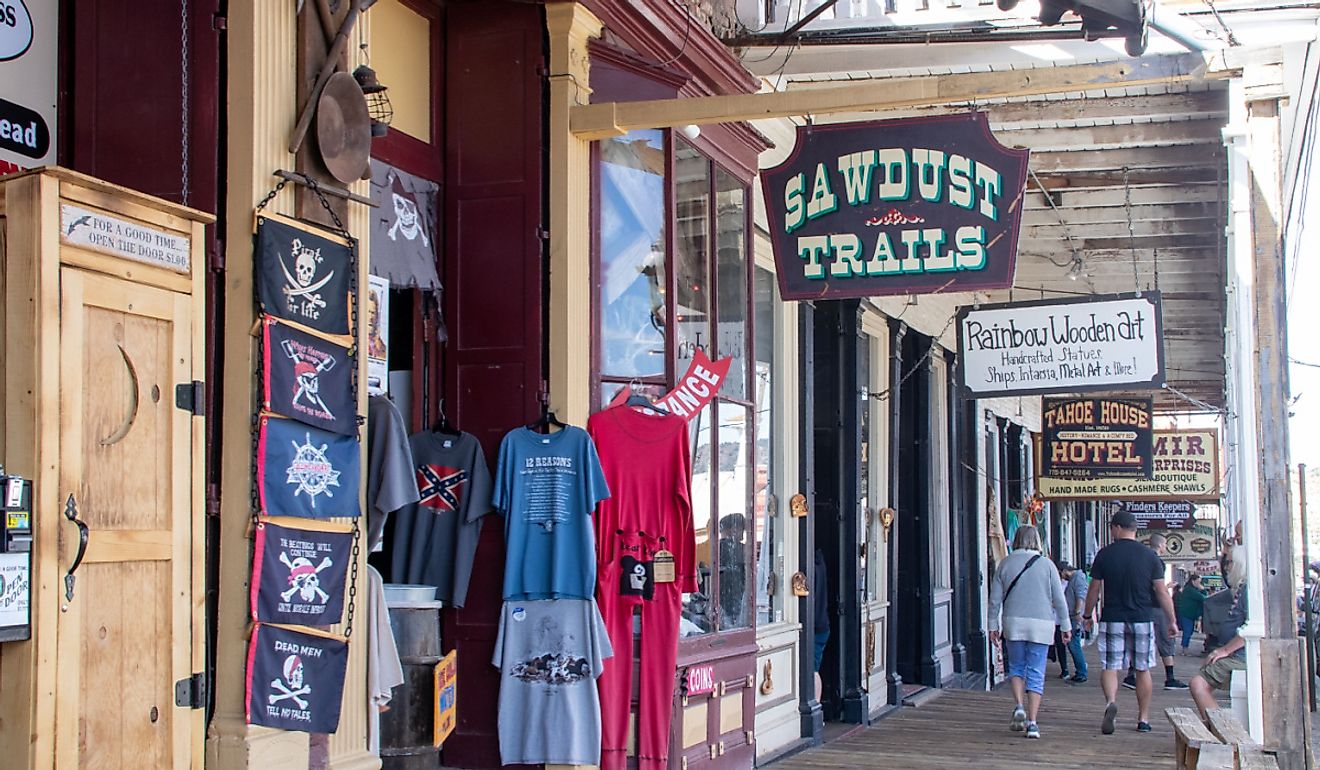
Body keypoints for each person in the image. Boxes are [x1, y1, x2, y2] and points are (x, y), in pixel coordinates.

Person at [1082, 511, 1179, 734]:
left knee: (1110, 665)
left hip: (1113, 616)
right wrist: (1172, 621)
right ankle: (1143, 719)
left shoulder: (1105, 555)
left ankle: (1111, 703)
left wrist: (1087, 616)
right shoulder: (1150, 556)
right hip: (1142, 617)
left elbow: (1094, 589)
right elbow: (1162, 591)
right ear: (1134, 530)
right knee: (1143, 668)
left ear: (1116, 528)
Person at [988, 526, 1072, 740]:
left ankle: (1018, 706)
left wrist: (992, 626)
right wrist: (1065, 625)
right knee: (1036, 671)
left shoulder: (1005, 564)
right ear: (1037, 540)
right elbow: (1059, 600)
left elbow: (995, 600)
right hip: (1042, 625)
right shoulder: (1047, 565)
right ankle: (1033, 723)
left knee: (1016, 667)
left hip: (1013, 623)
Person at [1122, 533, 1189, 691]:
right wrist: (1167, 592)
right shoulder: (1156, 561)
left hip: (1140, 606)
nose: (1165, 547)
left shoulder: (1137, 560)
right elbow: (1156, 588)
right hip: (1157, 607)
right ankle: (1170, 678)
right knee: (1166, 640)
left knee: (1140, 640)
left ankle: (1131, 675)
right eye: (1165, 544)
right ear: (1160, 545)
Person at [1189, 546, 1248, 719]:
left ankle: (1222, 729)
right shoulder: (1242, 589)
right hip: (1238, 654)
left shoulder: (1247, 591)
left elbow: (1250, 628)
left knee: (1198, 684)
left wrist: (1224, 651)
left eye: (1229, 563)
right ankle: (1217, 725)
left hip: (1242, 656)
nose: (1226, 567)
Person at [1058, 562, 1089, 682]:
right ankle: (1080, 670)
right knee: (1073, 644)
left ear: (1065, 570)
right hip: (1072, 615)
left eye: (1061, 574)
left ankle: (1081, 672)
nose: (1062, 578)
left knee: (1074, 644)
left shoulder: (1078, 579)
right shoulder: (1075, 579)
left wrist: (1076, 612)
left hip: (1074, 617)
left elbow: (1080, 597)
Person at [1175, 575, 1208, 653]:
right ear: (1193, 581)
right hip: (1187, 613)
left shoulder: (1191, 589)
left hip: (1190, 614)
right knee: (1187, 631)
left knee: (1189, 631)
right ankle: (1184, 648)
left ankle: (1185, 647)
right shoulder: (1190, 590)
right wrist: (1203, 589)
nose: (1199, 584)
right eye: (1198, 582)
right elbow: (1202, 598)